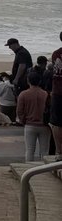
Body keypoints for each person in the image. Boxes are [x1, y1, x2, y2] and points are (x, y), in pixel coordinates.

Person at [17, 72, 51, 162]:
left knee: (29, 150)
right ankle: (44, 169)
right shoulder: (46, 94)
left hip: (29, 124)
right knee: (44, 151)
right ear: (39, 81)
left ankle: (29, 170)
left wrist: (23, 120)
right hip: (44, 125)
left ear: (28, 81)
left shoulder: (23, 94)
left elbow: (19, 111)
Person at [50, 31, 62, 161]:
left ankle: (59, 151)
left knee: (57, 123)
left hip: (58, 92)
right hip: (58, 92)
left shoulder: (56, 54)